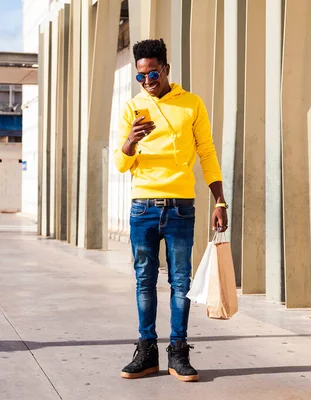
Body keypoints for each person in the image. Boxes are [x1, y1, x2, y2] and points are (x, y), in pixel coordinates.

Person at [113, 38, 228, 382]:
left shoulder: (191, 104)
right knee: (144, 282)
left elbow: (206, 153)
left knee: (180, 282)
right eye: (141, 76)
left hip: (180, 208)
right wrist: (131, 141)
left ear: (166, 69)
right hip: (142, 207)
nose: (147, 81)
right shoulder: (132, 107)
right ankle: (146, 351)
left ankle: (178, 351)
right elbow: (120, 164)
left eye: (152, 73)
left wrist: (219, 200)